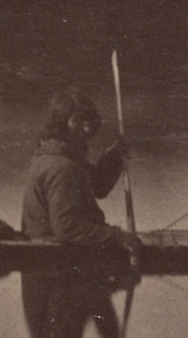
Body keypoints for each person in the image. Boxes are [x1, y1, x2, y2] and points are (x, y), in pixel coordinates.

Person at [21, 87, 143, 251]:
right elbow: (67, 228)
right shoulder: (61, 166)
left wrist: (114, 156)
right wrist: (117, 236)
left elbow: (98, 186)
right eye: (78, 121)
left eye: (89, 120)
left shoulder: (55, 153)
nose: (87, 128)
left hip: (51, 249)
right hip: (56, 257)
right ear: (62, 123)